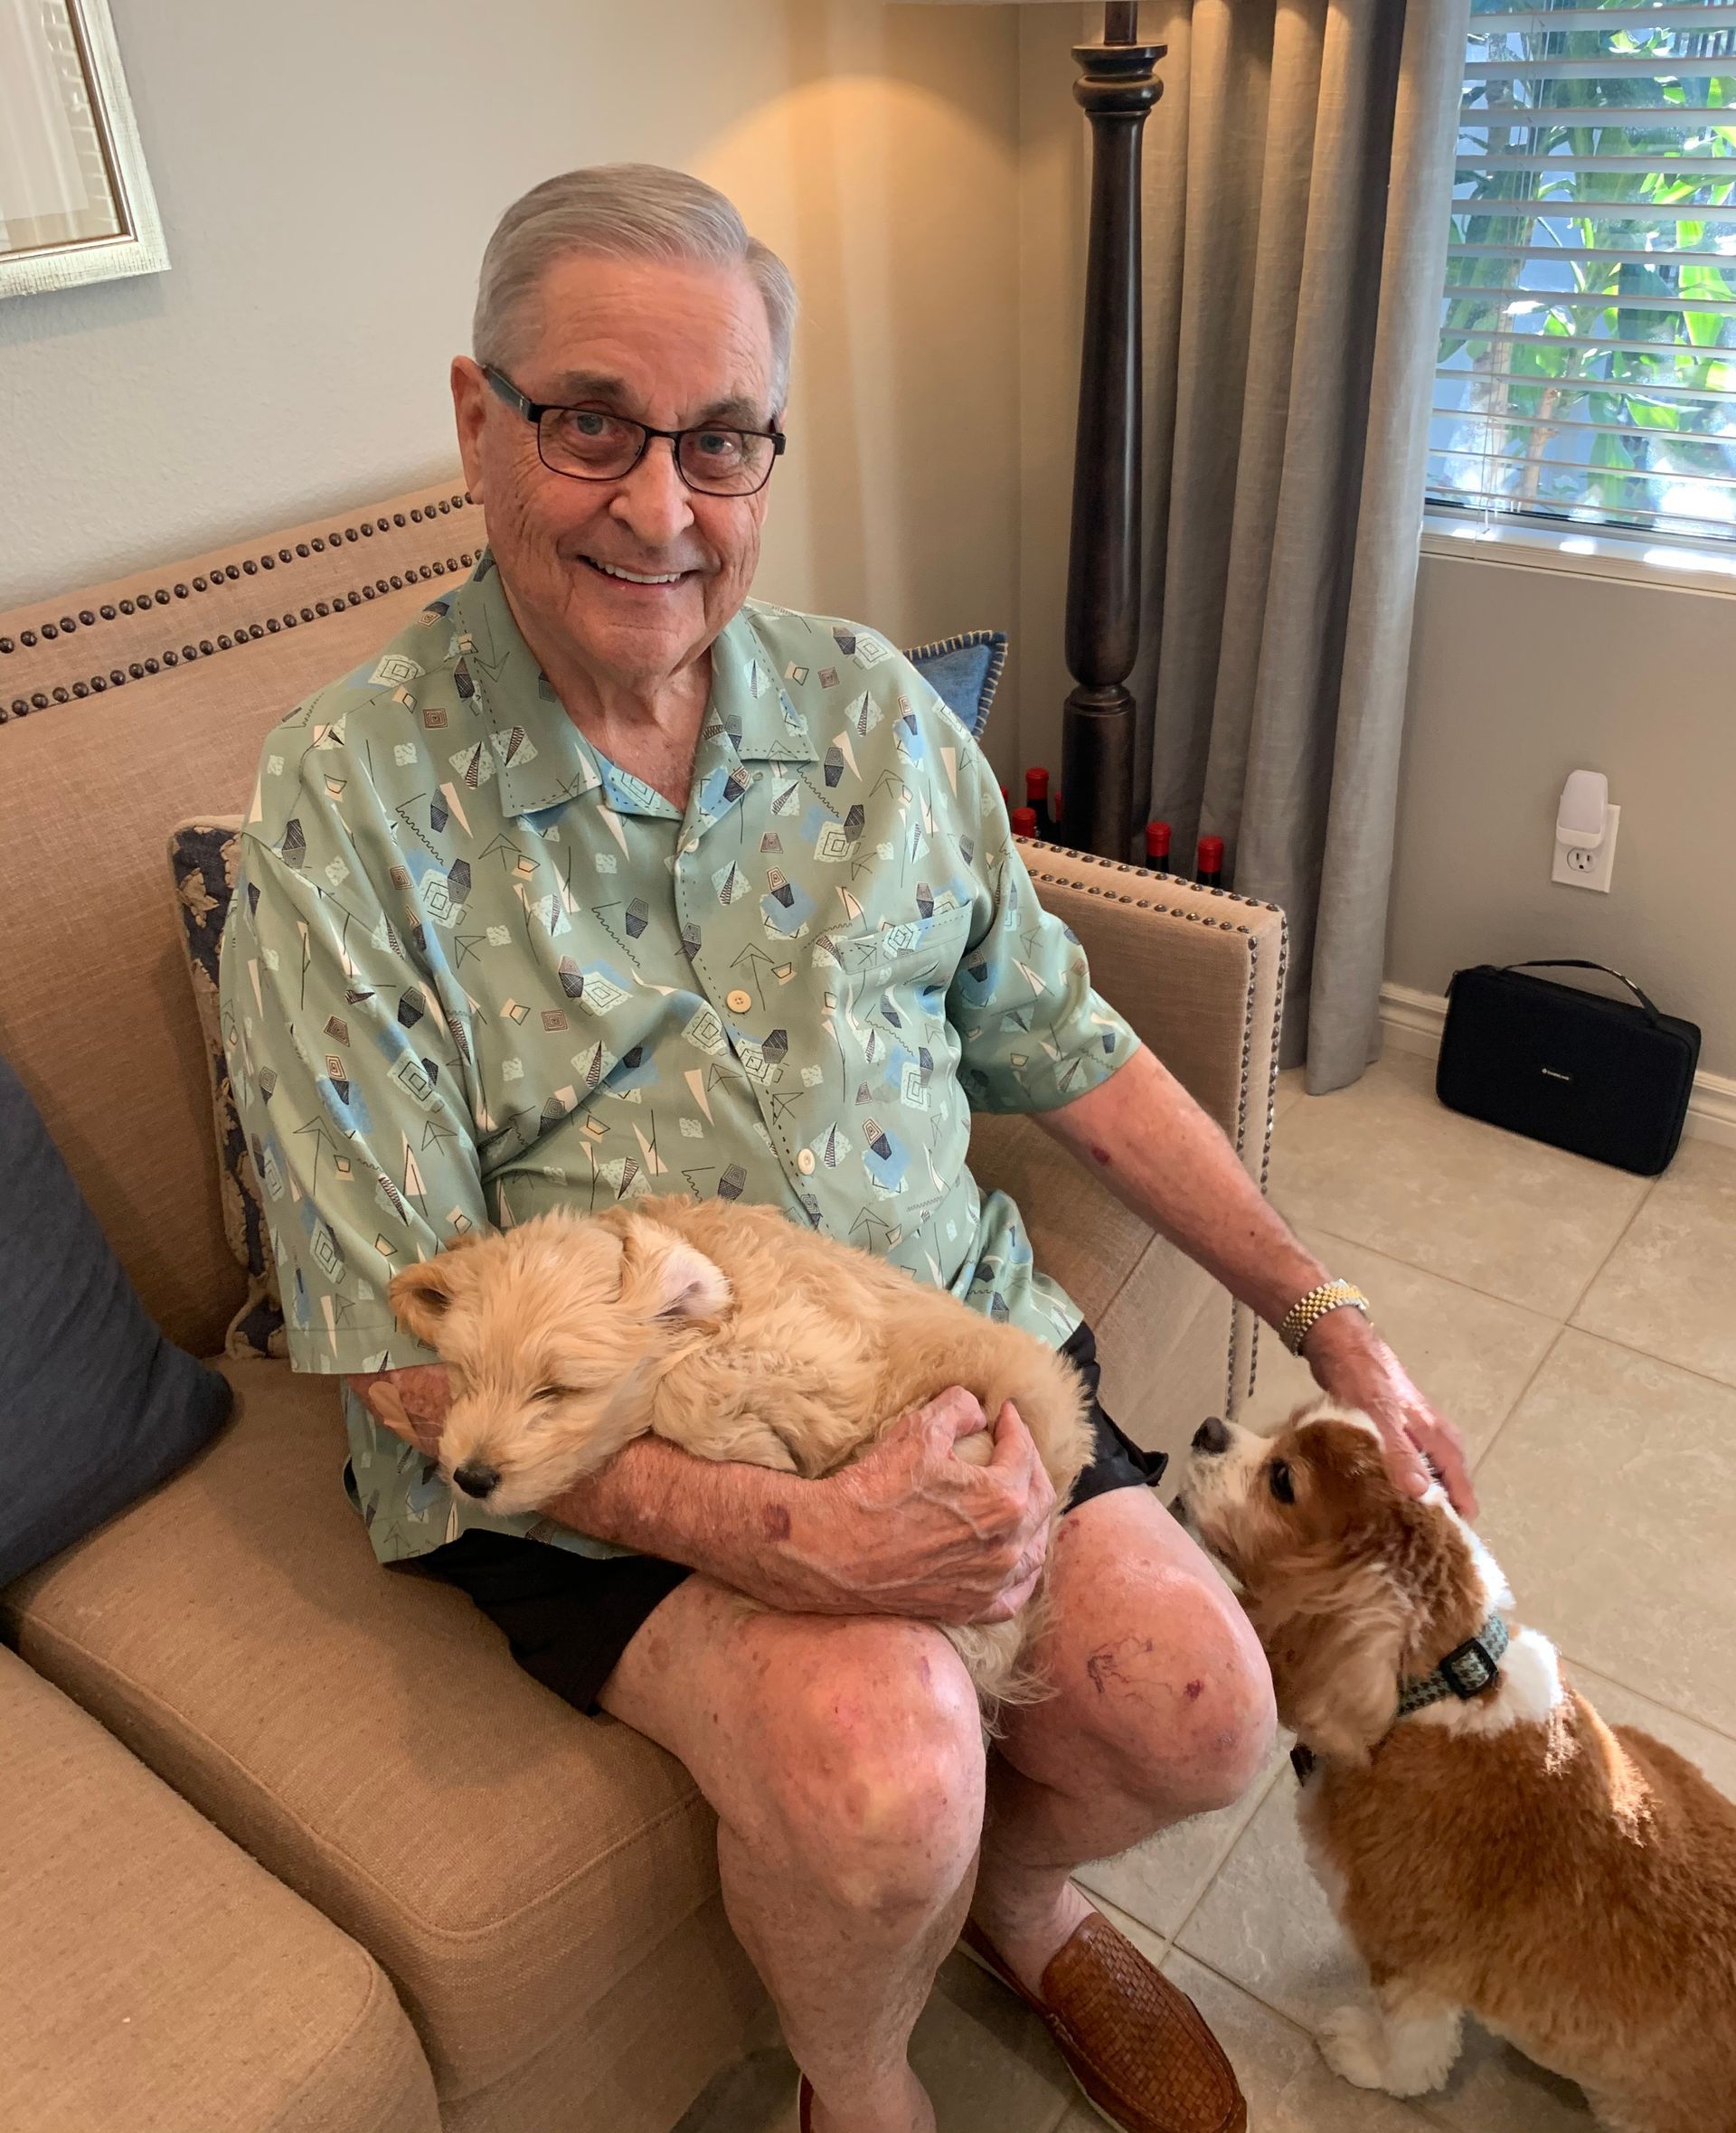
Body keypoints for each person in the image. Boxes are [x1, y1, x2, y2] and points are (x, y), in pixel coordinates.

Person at [219, 165, 1475, 2133]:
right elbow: (396, 1345)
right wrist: (802, 1536)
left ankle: (1018, 1905)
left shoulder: (873, 715)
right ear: (477, 420)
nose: (661, 507)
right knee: (888, 1777)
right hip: (622, 1450)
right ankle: (861, 2080)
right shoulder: (346, 804)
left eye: (720, 438)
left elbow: (1073, 1052)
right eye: (590, 423)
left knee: (1211, 1710)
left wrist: (1333, 1320)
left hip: (939, 1343)